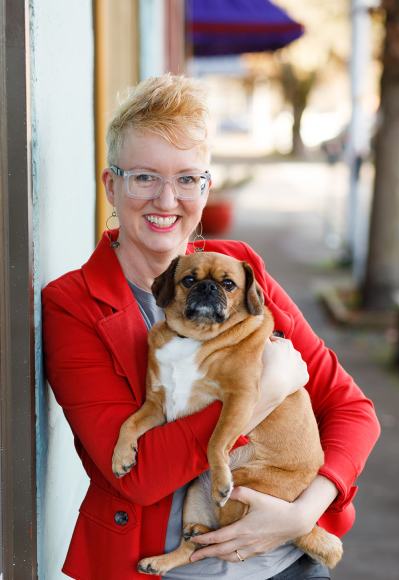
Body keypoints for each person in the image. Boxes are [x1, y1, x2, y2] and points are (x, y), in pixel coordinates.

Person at [42, 74, 380, 580]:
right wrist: (263, 390)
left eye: (186, 179)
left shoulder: (241, 271)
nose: (166, 199)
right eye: (144, 177)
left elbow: (352, 410)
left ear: (205, 189)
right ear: (112, 184)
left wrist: (301, 514)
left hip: (290, 563)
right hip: (164, 570)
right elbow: (137, 474)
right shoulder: (74, 304)